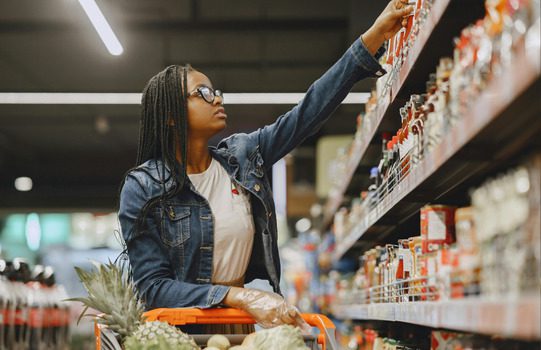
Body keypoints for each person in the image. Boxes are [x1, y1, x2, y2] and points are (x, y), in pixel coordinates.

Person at [118, 0, 413, 334]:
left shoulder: (241, 157)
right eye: (202, 92)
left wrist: (371, 40)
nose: (217, 99)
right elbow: (154, 288)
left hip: (240, 331)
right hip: (178, 336)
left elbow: (307, 113)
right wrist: (238, 297)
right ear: (171, 115)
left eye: (216, 90)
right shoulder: (143, 187)